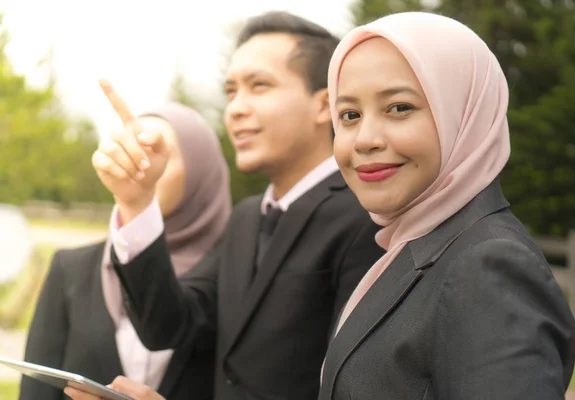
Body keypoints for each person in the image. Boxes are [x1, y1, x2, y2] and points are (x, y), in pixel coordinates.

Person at [64, 11, 385, 400]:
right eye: (231, 91)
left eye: (259, 86)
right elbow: (168, 326)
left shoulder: (369, 217)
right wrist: (136, 202)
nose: (235, 108)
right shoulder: (246, 217)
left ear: (325, 105)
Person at [318, 11, 575, 400]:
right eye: (350, 115)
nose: (364, 139)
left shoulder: (490, 267)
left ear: (464, 113)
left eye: (399, 107)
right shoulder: (418, 247)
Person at [20, 103, 231, 400]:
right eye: (128, 154)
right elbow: (36, 391)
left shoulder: (238, 271)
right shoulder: (72, 268)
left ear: (201, 170)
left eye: (158, 155)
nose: (138, 168)